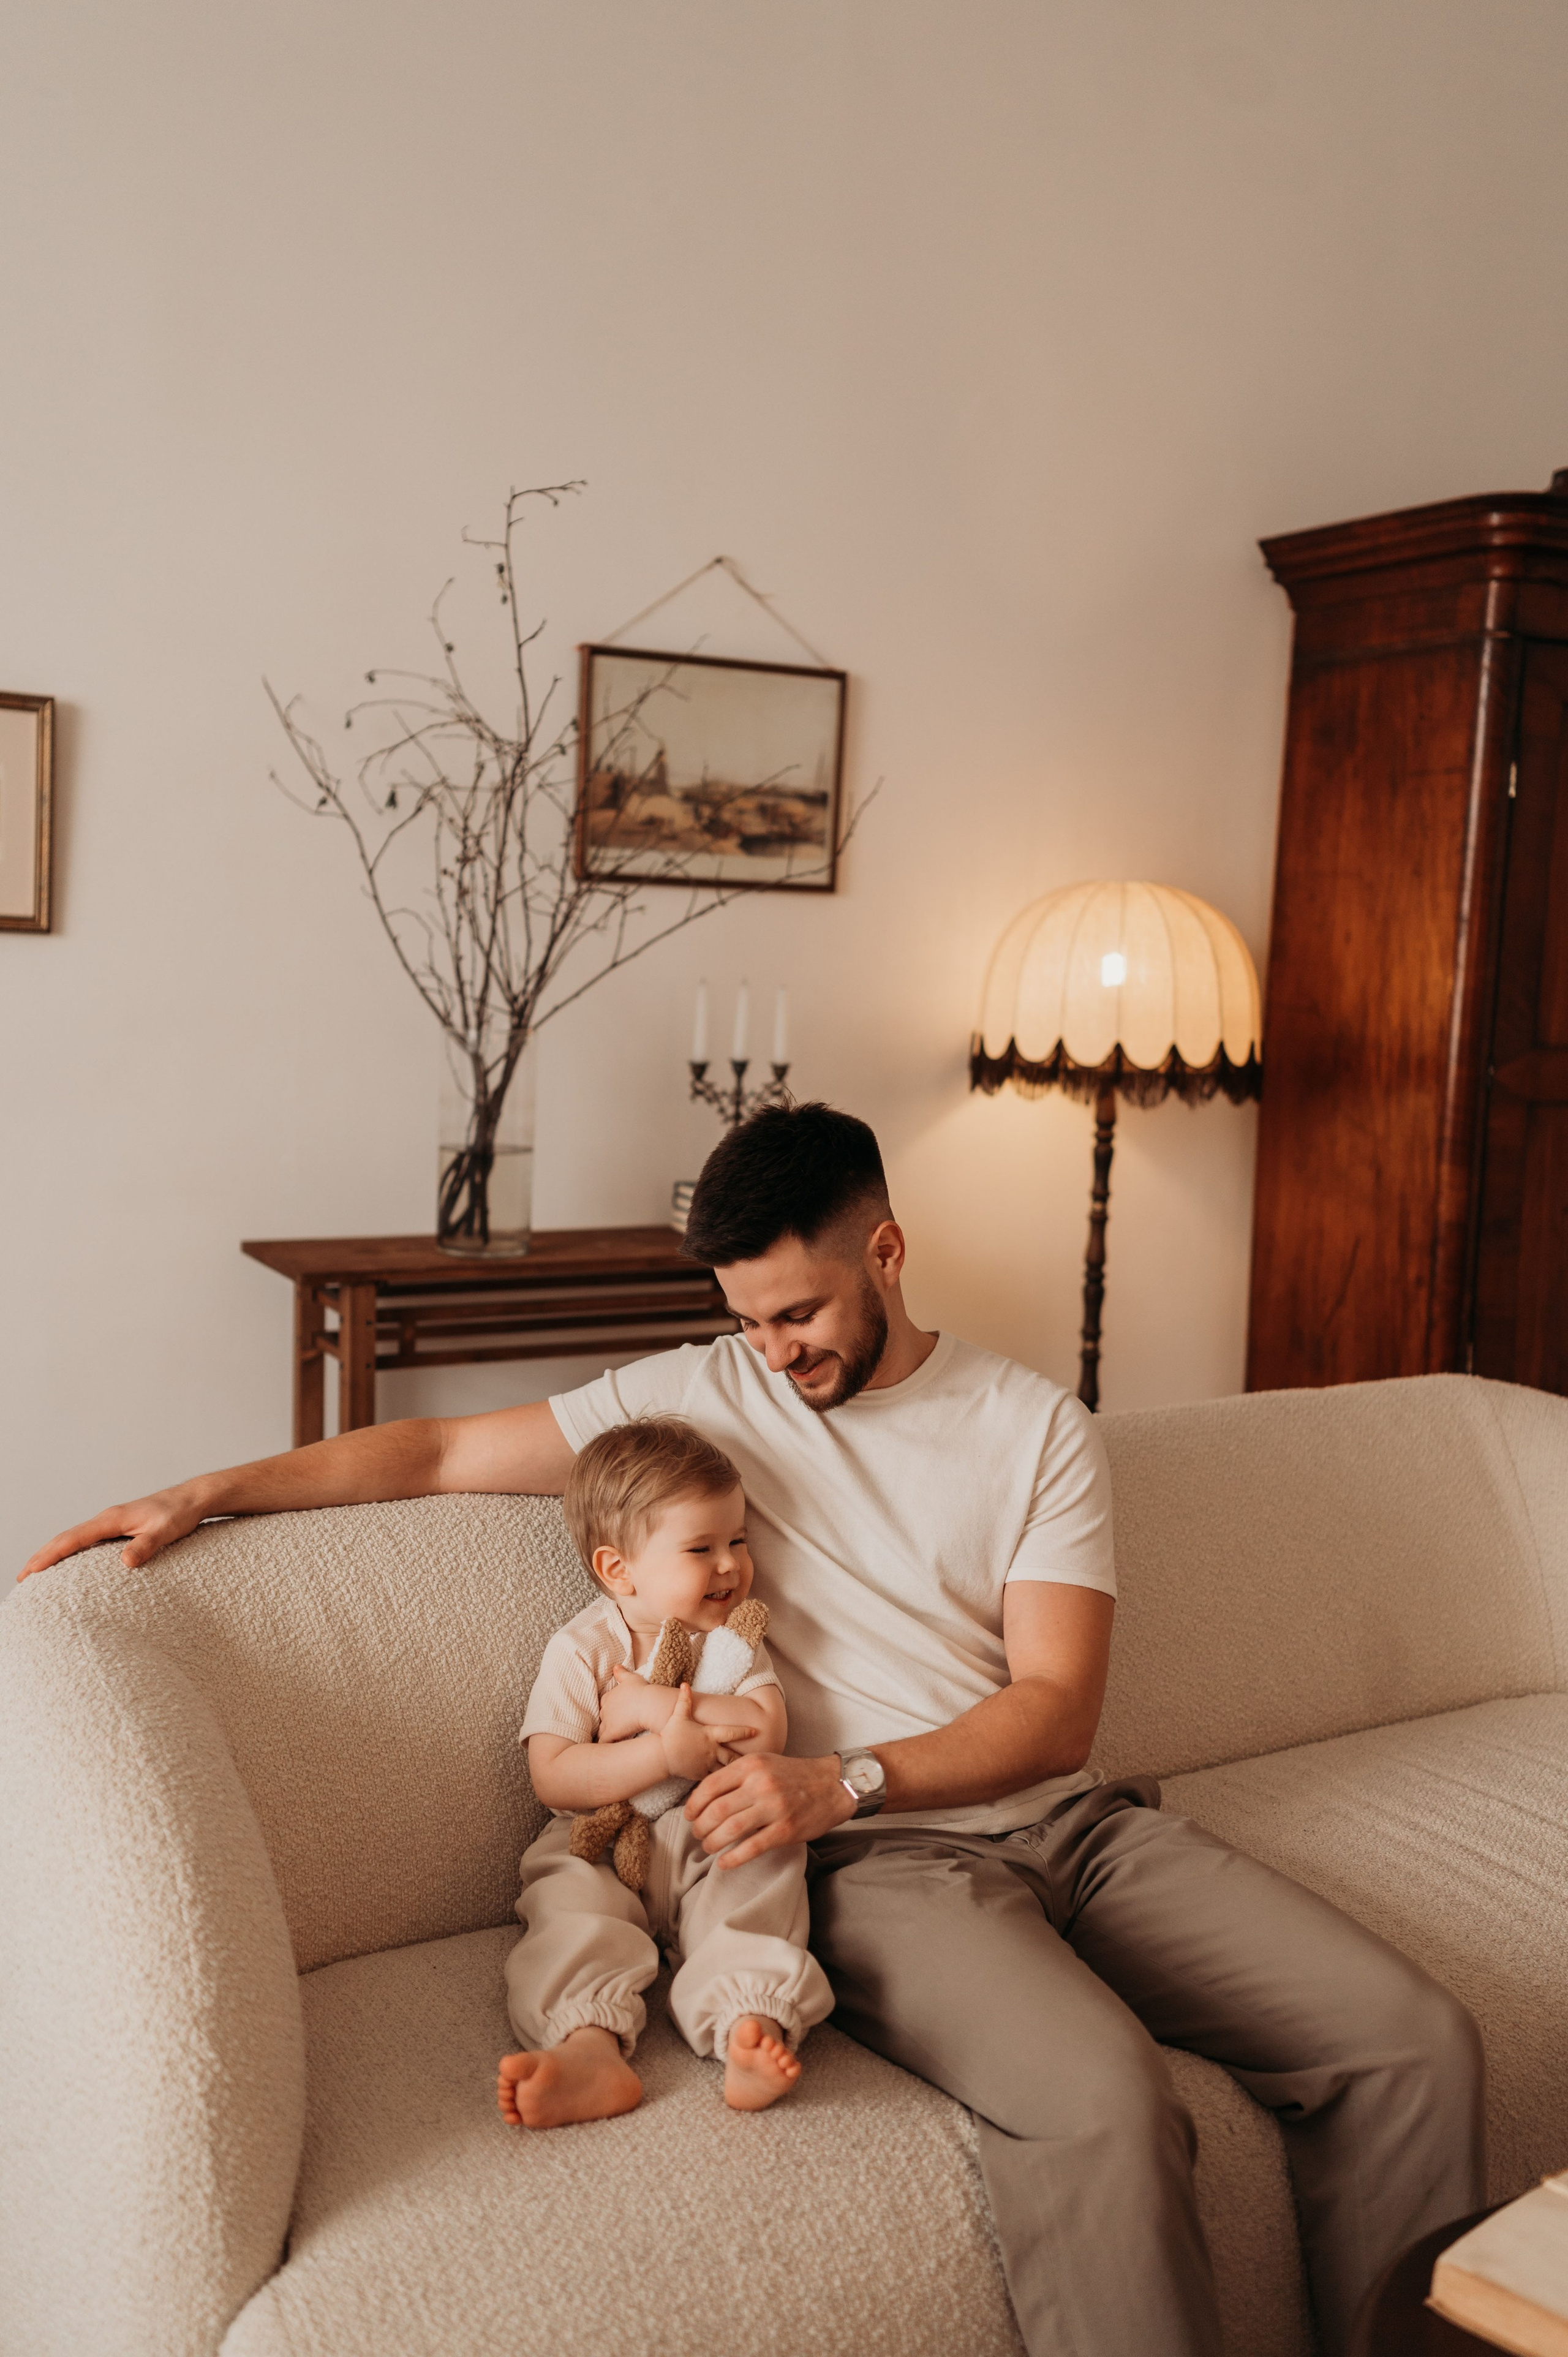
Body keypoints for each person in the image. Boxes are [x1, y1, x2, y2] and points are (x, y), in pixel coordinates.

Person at [22, 1102, 1485, 2357]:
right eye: (744, 1319)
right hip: (886, 1868)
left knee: (1409, 2037)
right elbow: (441, 1446)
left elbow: (1053, 1711)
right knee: (1102, 2100)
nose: (771, 1351)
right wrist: (204, 1490)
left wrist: (834, 1773)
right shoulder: (699, 1392)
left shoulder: (1031, 1423)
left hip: (1074, 1824)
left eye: (797, 1311)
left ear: (885, 1250)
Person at [498, 1414, 831, 2125]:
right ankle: (588, 2047)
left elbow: (765, 1728)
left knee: (764, 1870)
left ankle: (750, 2024)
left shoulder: (733, 1643)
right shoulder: (582, 1647)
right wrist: (660, 1754)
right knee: (567, 1910)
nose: (730, 1565)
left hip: (714, 1828)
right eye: (701, 1547)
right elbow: (553, 1774)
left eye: (737, 1539)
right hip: (601, 1840)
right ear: (618, 1568)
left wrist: (653, 1703)